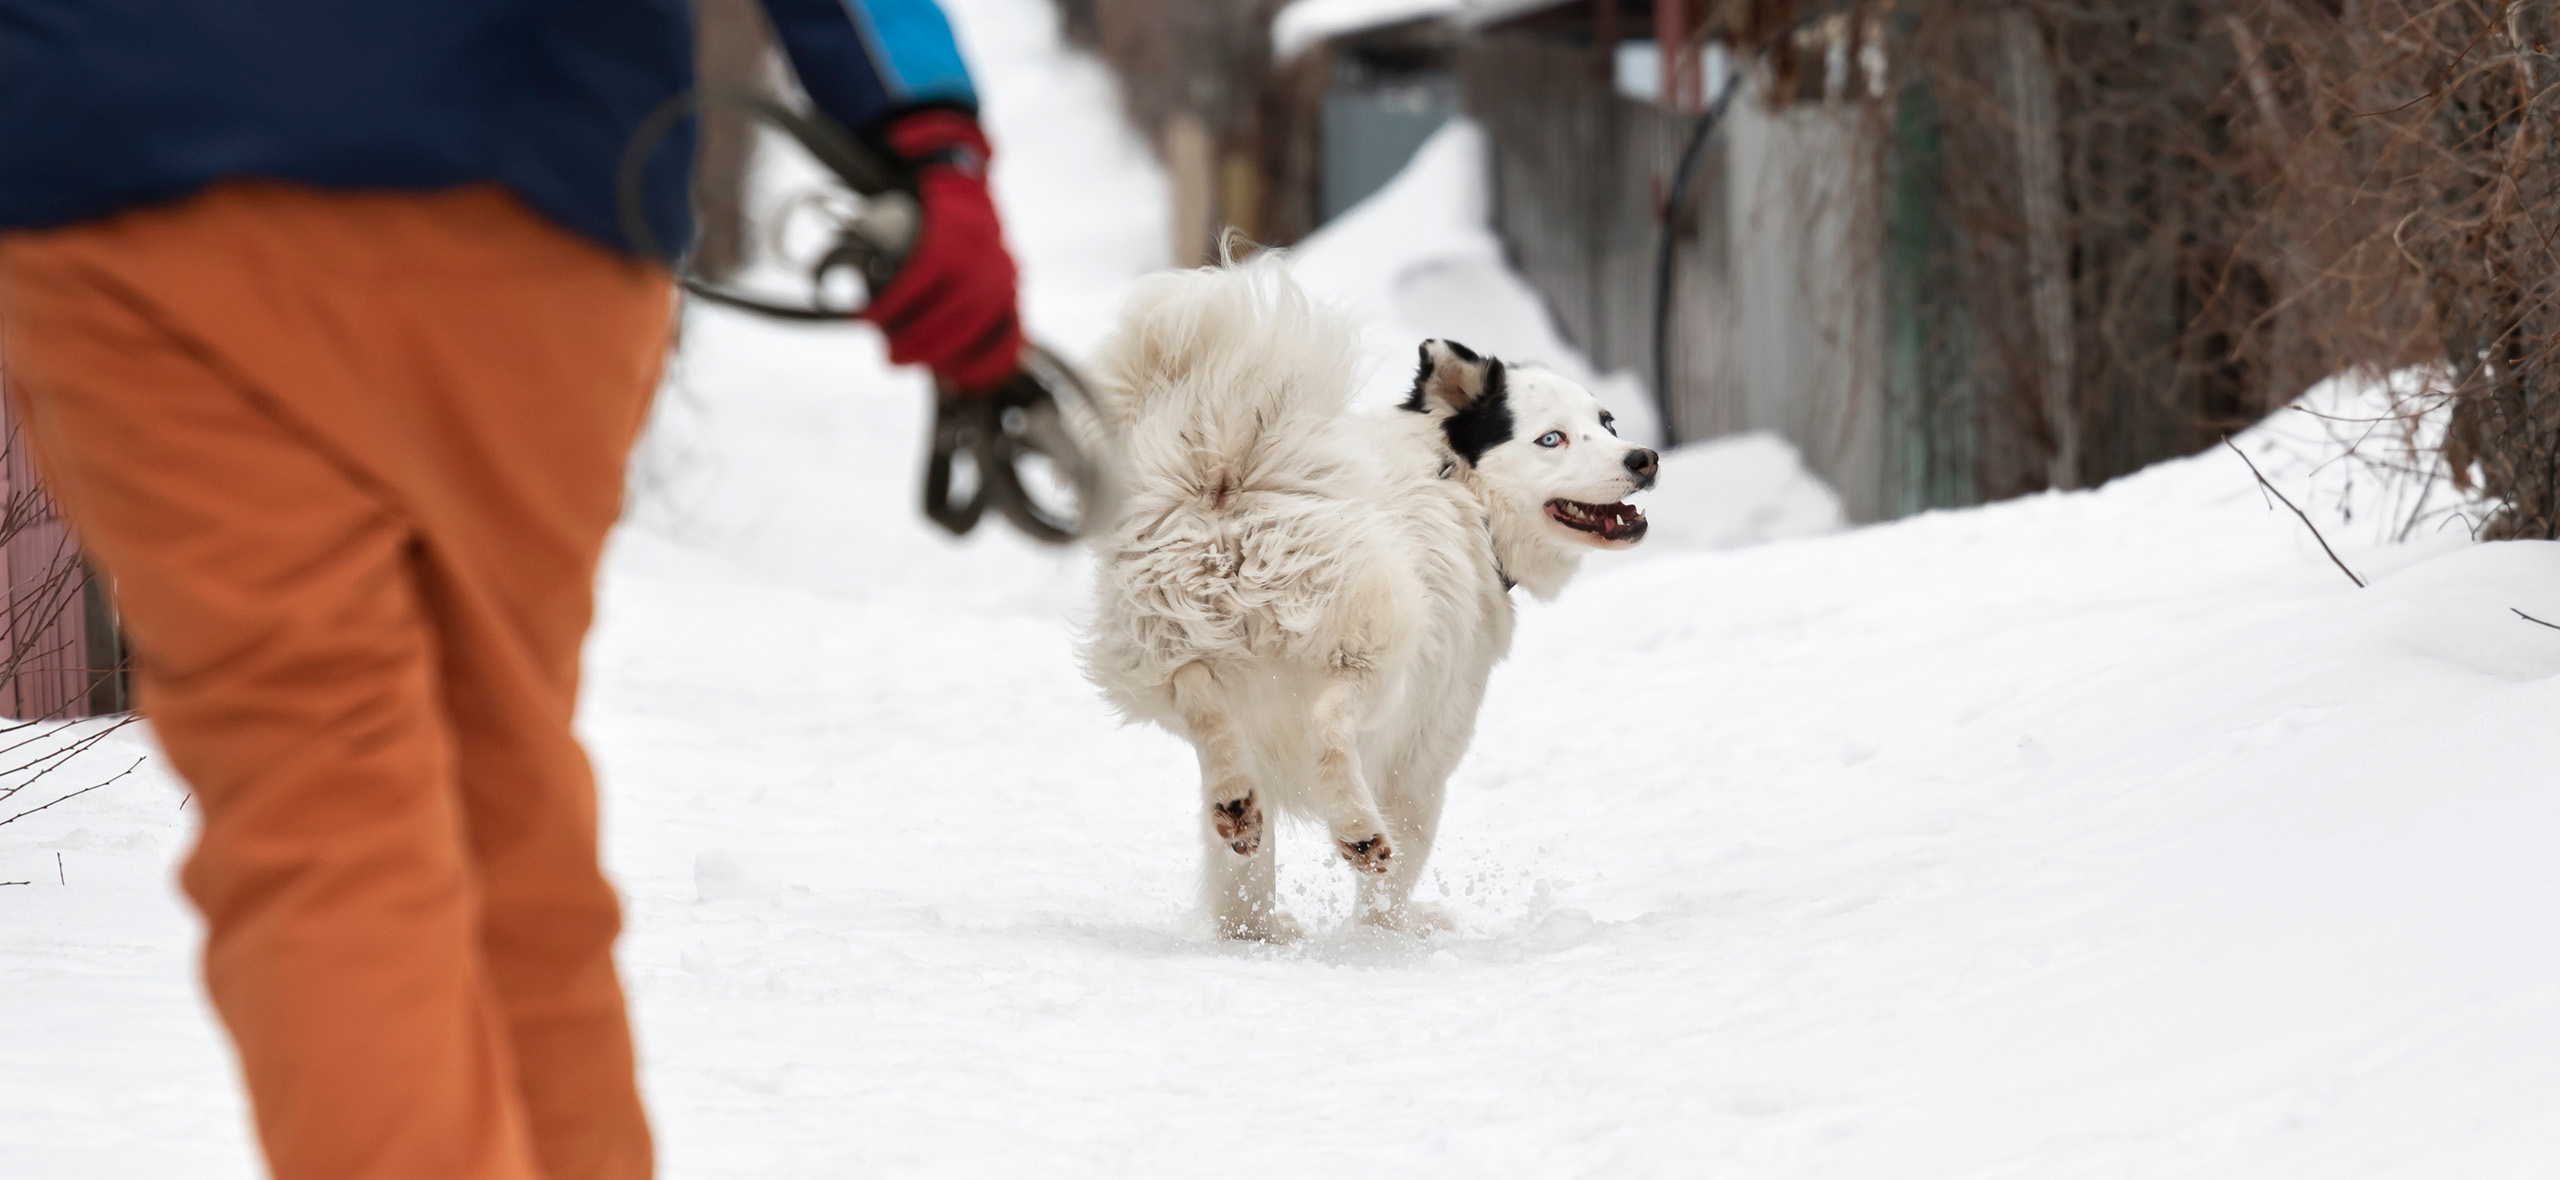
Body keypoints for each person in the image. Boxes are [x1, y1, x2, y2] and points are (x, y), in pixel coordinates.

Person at [0, 2, 1021, 1177]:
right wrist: (927, 137)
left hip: (136, 170)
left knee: (325, 814)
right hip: (527, 176)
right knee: (502, 797)